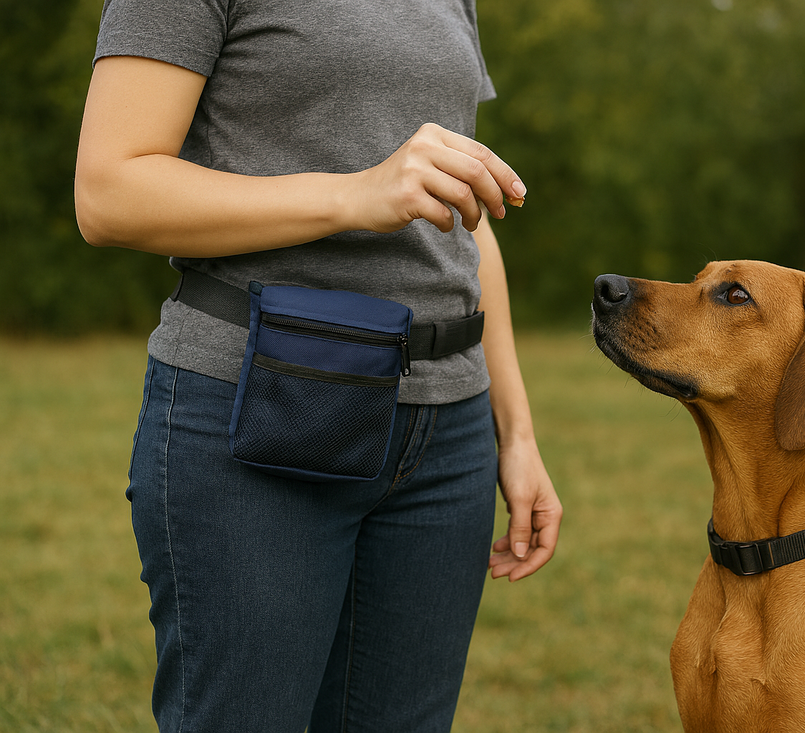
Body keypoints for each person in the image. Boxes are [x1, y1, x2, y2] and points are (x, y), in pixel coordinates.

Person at [73, 1, 563, 731]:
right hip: (261, 411)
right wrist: (353, 193)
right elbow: (108, 193)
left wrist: (515, 434)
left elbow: (462, 220)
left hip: (447, 436)